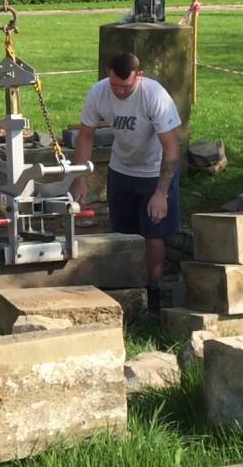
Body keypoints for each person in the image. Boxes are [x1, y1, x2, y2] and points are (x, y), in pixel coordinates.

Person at [71, 52, 181, 315]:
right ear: (108, 75)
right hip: (121, 169)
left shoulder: (155, 96)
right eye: (114, 85)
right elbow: (85, 136)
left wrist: (161, 193)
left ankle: (153, 292)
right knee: (122, 233)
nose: (119, 91)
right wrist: (80, 179)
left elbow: (172, 149)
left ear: (139, 76)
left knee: (153, 233)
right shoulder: (98, 93)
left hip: (155, 171)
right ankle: (126, 289)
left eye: (126, 86)